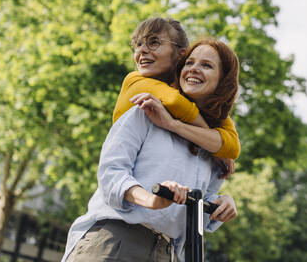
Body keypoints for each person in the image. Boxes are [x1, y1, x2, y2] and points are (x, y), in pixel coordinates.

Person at [62, 38, 240, 262]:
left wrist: (222, 203)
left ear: (224, 81)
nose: (193, 69)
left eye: (206, 65)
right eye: (189, 62)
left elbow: (196, 205)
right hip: (115, 241)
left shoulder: (214, 147)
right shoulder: (146, 110)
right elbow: (111, 174)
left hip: (166, 252)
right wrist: (150, 199)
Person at [113, 18, 240, 178]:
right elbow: (175, 101)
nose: (142, 50)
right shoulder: (134, 80)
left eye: (154, 43)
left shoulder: (189, 95)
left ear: (181, 55)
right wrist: (214, 145)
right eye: (138, 44)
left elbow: (232, 146)